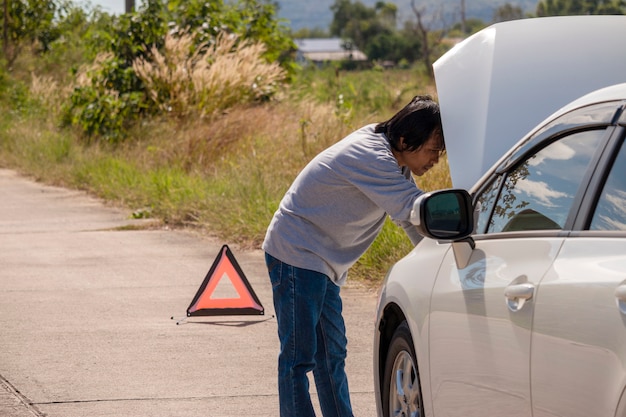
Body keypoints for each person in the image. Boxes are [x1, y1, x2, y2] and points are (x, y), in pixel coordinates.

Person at [262, 95, 445, 417]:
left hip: (323, 262)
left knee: (331, 354)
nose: (436, 161)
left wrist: (438, 259)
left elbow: (406, 218)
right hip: (298, 252)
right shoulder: (370, 155)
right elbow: (414, 207)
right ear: (405, 139)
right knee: (298, 357)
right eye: (433, 150)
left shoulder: (392, 160)